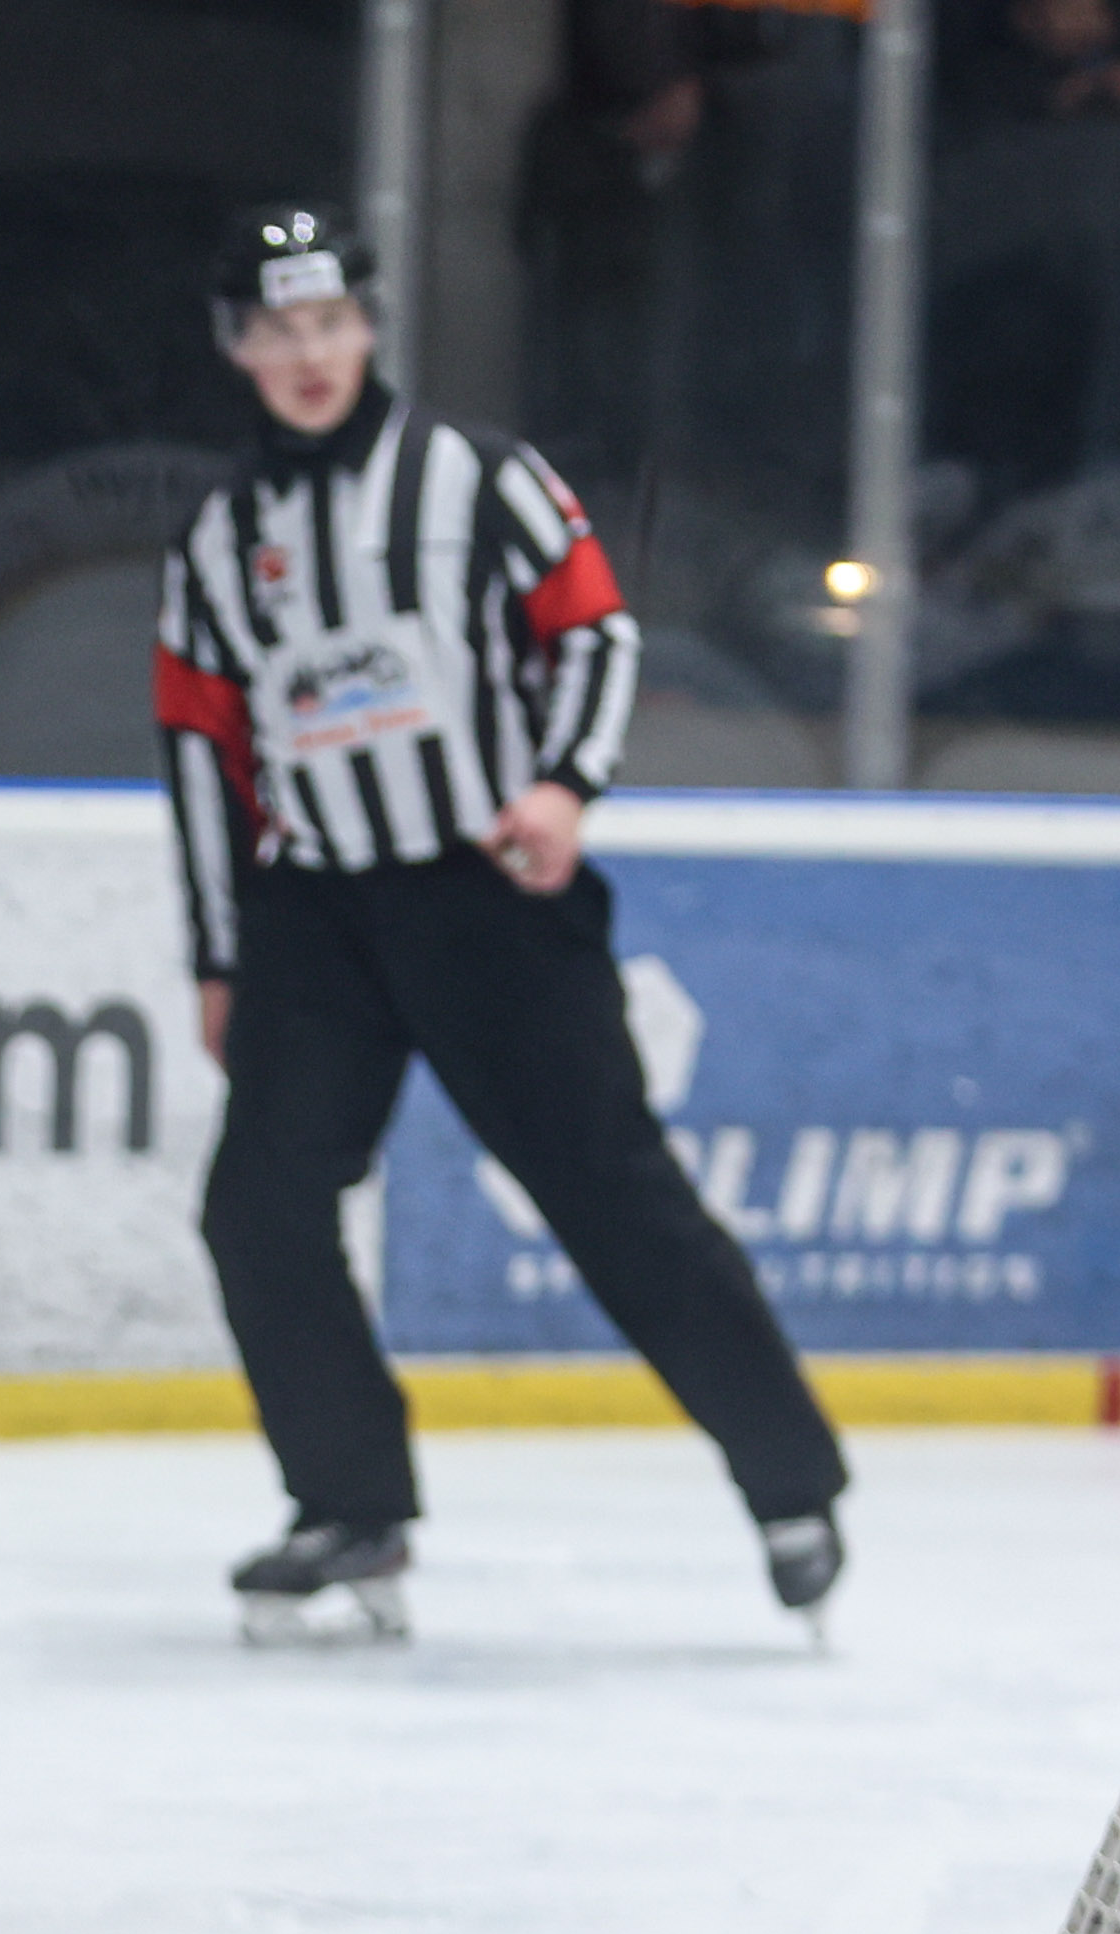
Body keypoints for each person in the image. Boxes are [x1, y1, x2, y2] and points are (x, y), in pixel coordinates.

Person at [153, 203, 845, 1640]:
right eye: (277, 332)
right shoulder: (218, 541)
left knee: (609, 1193)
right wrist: (219, 953)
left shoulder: (476, 480)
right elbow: (203, 755)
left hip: (489, 895)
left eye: (329, 323)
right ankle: (349, 1503)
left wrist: (561, 787)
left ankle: (791, 1482)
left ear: (367, 327)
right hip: (314, 916)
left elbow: (592, 628)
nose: (308, 355)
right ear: (235, 349)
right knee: (257, 1207)